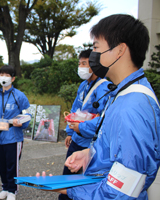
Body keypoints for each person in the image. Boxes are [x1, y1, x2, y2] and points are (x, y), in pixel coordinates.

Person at [53, 14, 160, 199]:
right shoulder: (121, 94)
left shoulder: (132, 106)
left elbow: (121, 191)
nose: (93, 54)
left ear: (119, 50)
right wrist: (90, 154)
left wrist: (69, 189)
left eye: (96, 47)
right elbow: (117, 147)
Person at [0, 65, 31, 200]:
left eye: (7, 75)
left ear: (13, 78)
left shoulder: (19, 96)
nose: (4, 77)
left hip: (13, 137)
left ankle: (12, 191)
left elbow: (27, 115)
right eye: (1, 74)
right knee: (1, 164)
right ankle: (5, 188)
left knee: (12, 165)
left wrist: (21, 122)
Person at [61, 49, 110, 181]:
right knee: (67, 177)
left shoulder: (104, 88)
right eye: (79, 64)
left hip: (89, 144)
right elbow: (75, 109)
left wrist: (81, 128)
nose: (80, 67)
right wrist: (70, 132)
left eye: (84, 64)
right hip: (76, 139)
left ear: (95, 65)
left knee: (83, 181)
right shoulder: (83, 85)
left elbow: (105, 118)